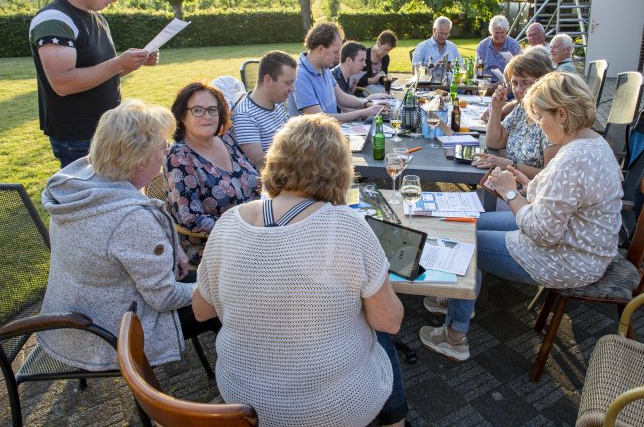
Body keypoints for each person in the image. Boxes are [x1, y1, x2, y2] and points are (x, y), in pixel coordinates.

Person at [192, 114, 408, 427]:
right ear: (339, 170)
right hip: (332, 407)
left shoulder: (229, 222)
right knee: (380, 336)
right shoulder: (347, 225)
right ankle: (395, 423)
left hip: (244, 401)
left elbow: (201, 311)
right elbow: (390, 321)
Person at [419, 72, 623, 362]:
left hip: (570, 258)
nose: (539, 123)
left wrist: (511, 194)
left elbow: (543, 233)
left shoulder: (572, 159)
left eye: (540, 116)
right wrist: (525, 184)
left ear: (562, 114)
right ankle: (459, 296)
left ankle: (455, 335)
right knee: (468, 224)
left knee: (466, 243)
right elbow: (564, 203)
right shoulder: (593, 144)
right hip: (581, 243)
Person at [38, 100, 219, 372]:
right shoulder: (130, 220)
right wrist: (223, 291)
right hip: (110, 335)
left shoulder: (80, 181)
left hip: (74, 316)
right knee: (224, 302)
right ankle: (245, 379)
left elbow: (128, 208)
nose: (166, 153)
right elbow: (165, 298)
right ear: (139, 158)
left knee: (207, 280)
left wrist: (172, 246)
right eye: (162, 147)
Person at [29, 0, 158, 168]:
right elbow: (63, 82)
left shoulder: (98, 18)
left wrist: (132, 64)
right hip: (79, 137)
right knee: (91, 200)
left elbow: (100, 71)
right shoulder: (54, 19)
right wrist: (118, 62)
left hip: (108, 129)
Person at [165, 82, 260, 264]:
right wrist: (243, 228)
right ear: (182, 115)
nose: (207, 116)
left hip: (254, 230)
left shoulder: (225, 138)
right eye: (198, 110)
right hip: (211, 247)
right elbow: (190, 217)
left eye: (212, 110)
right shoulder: (180, 157)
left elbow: (252, 177)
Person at [473, 51, 558, 179]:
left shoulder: (552, 117)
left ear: (543, 82)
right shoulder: (521, 109)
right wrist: (496, 108)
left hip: (530, 192)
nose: (518, 89)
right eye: (514, 83)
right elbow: (494, 142)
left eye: (526, 82)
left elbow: (550, 176)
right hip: (509, 184)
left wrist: (507, 165)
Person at [287, 22, 391, 121]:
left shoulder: (323, 67)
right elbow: (318, 119)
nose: (339, 57)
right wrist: (363, 112)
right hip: (314, 138)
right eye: (336, 52)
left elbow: (341, 97)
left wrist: (367, 104)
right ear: (321, 49)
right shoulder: (300, 75)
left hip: (329, 133)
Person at [231, 51, 297, 170]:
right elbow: (259, 162)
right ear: (268, 80)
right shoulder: (245, 116)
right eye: (288, 83)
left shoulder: (278, 103)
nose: (293, 89)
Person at [474, 15, 522, 80]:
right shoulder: (483, 46)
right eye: (496, 33)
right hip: (486, 81)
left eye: (502, 32)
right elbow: (478, 69)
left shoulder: (513, 46)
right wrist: (481, 81)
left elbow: (519, 70)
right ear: (491, 32)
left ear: (506, 31)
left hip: (506, 83)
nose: (499, 36)